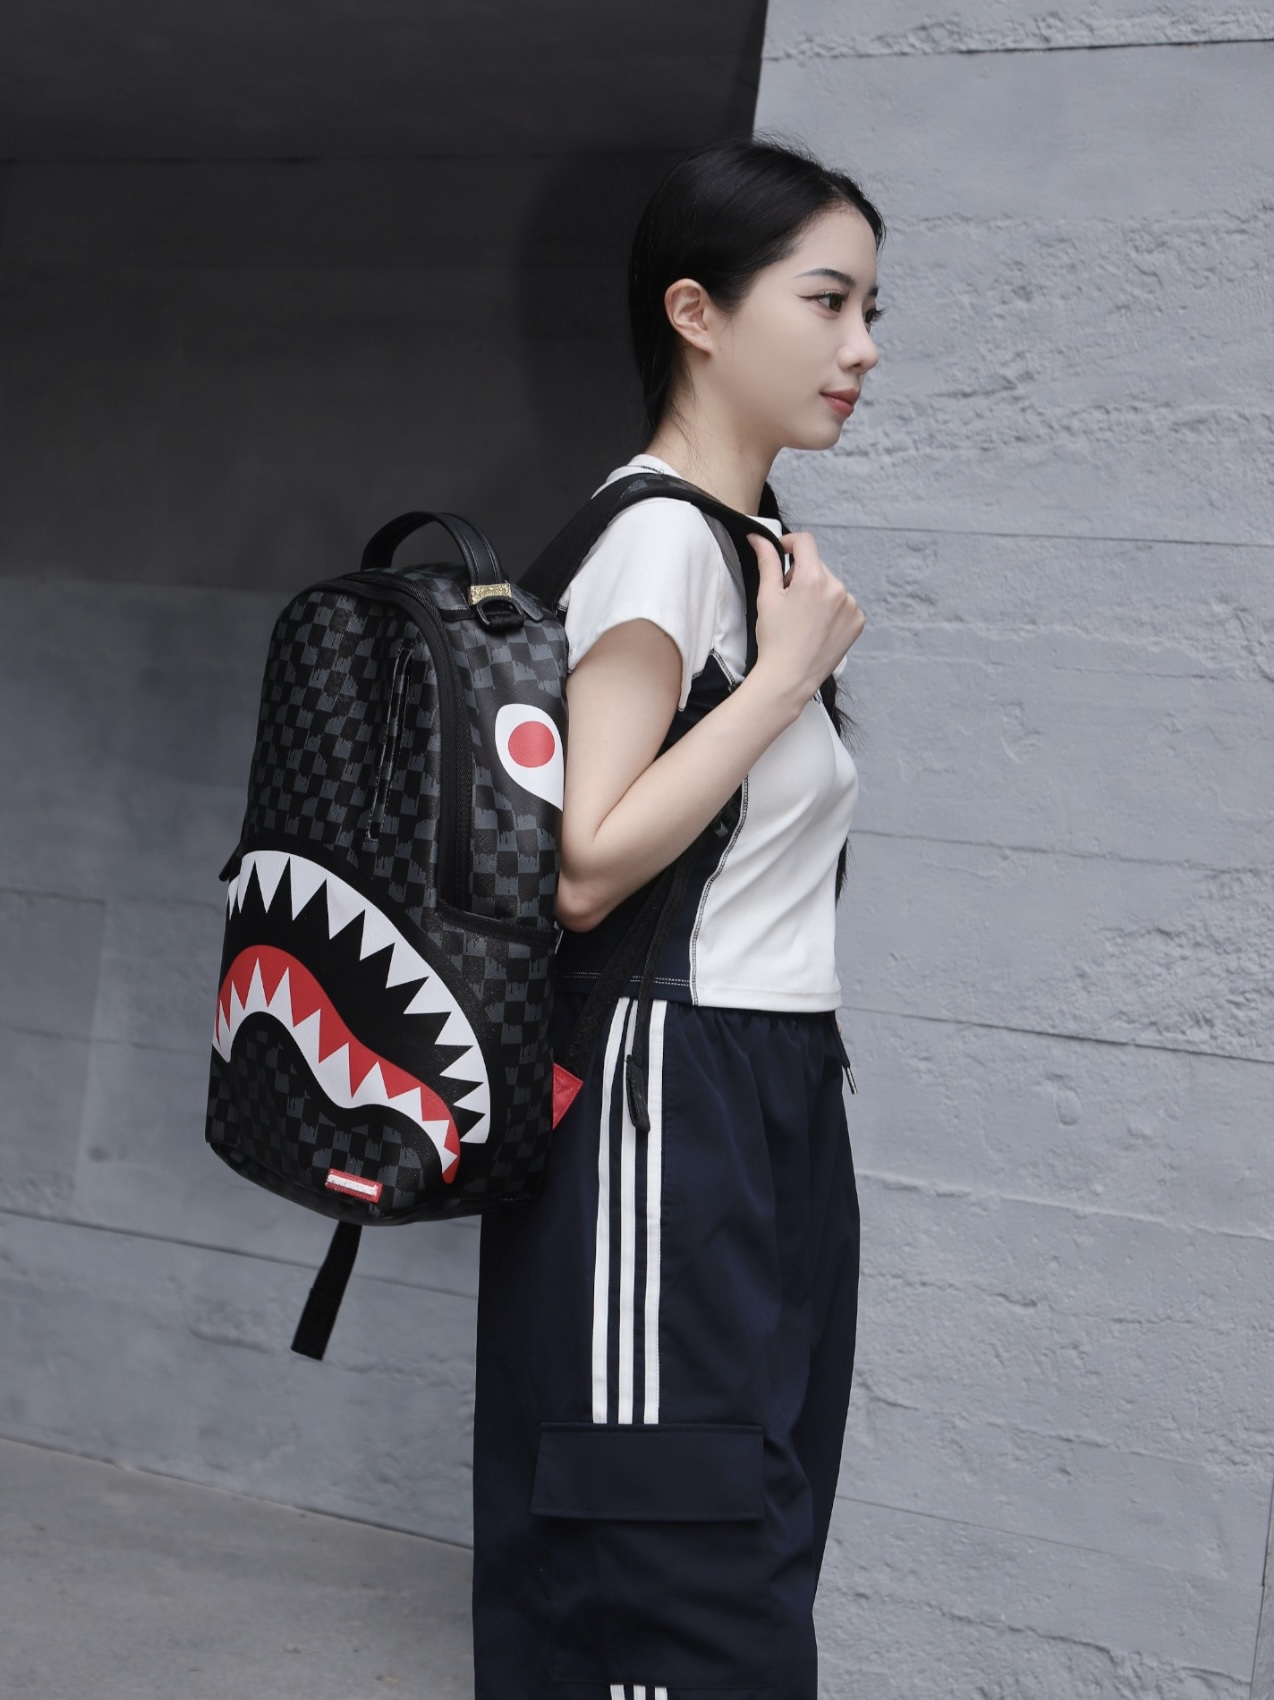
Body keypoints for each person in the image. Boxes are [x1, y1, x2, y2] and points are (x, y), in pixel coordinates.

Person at [472, 135, 884, 1700]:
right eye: (826, 301)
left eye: (871, 310)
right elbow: (584, 864)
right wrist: (780, 681)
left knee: (749, 1536)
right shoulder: (657, 536)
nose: (861, 348)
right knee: (667, 1578)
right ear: (696, 313)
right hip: (662, 1087)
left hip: (768, 1084)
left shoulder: (748, 545)